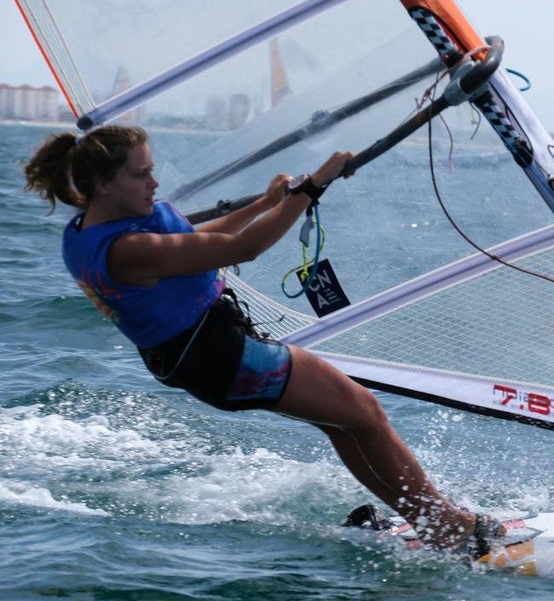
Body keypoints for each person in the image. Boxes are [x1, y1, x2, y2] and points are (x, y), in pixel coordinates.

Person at [23, 125, 500, 556]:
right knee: (366, 413)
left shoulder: (88, 232)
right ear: (103, 184)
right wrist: (312, 188)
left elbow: (195, 243)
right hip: (226, 356)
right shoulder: (128, 250)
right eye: (140, 174)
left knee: (346, 423)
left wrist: (266, 205)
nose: (154, 182)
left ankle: (432, 521)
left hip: (201, 362)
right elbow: (244, 249)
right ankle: (446, 527)